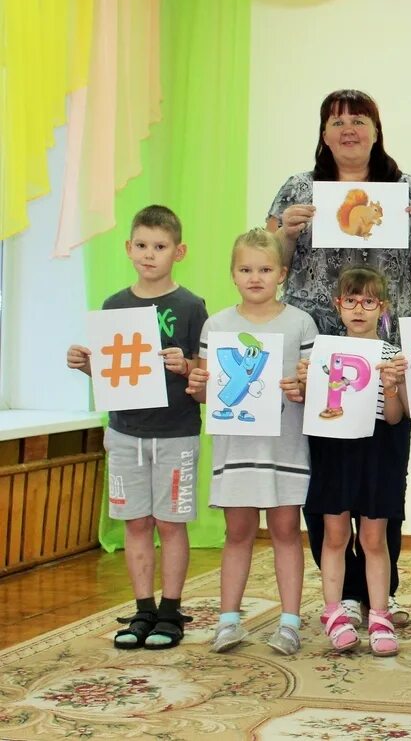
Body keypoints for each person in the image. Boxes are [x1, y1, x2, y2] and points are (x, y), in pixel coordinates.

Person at [268, 88, 411, 625]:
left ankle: (378, 591)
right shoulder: (299, 188)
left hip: (385, 348)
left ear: (376, 130)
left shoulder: (403, 187)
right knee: (325, 470)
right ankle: (340, 593)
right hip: (317, 347)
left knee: (382, 466)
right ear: (323, 133)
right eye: (338, 121)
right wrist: (284, 232)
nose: (348, 129)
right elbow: (273, 262)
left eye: (359, 120)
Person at [66, 205, 208, 649]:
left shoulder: (190, 306)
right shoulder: (115, 306)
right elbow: (114, 378)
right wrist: (88, 367)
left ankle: (171, 610)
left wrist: (185, 366)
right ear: (129, 249)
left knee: (170, 523)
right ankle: (143, 609)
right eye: (142, 246)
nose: (150, 255)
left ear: (178, 252)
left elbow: (205, 379)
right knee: (135, 521)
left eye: (160, 247)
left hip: (175, 431)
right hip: (125, 431)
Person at [187, 229, 318, 655]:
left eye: (264, 269)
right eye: (246, 269)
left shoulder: (300, 322)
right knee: (238, 531)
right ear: (233, 274)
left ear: (282, 272)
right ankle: (228, 621)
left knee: (285, 530)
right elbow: (208, 391)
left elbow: (316, 387)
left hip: (284, 446)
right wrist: (198, 384)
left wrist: (303, 387)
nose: (255, 277)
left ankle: (290, 621)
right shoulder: (217, 324)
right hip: (236, 448)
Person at [291, 266, 410, 656]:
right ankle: (335, 613)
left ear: (383, 307)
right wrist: (308, 383)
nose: (360, 309)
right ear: (338, 305)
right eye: (351, 301)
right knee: (335, 535)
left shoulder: (393, 355)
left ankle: (378, 615)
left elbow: (394, 417)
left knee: (375, 538)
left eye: (369, 301)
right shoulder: (325, 351)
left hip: (377, 453)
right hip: (335, 452)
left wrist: (392, 387)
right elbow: (314, 406)